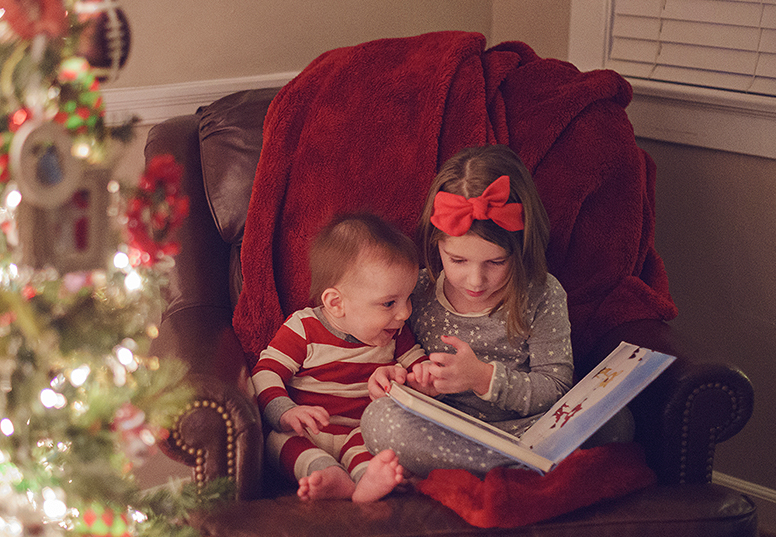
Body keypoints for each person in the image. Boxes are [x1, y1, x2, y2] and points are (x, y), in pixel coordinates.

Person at [362, 144, 602, 476]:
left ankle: (512, 465)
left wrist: (483, 378)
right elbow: (390, 353)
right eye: (458, 260)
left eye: (496, 262)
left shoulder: (541, 294)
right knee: (379, 420)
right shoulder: (415, 291)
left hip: (527, 429)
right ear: (436, 244)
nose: (476, 279)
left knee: (616, 420)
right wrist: (397, 381)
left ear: (520, 249)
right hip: (448, 432)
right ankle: (519, 470)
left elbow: (555, 387)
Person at [252, 213, 432, 502]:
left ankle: (366, 482)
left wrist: (423, 376)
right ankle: (326, 474)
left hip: (361, 430)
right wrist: (285, 412)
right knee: (279, 442)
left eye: (408, 298)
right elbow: (265, 372)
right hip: (307, 428)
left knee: (376, 451)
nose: (405, 313)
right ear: (336, 303)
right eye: (389, 303)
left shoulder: (396, 333)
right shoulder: (303, 328)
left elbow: (419, 366)